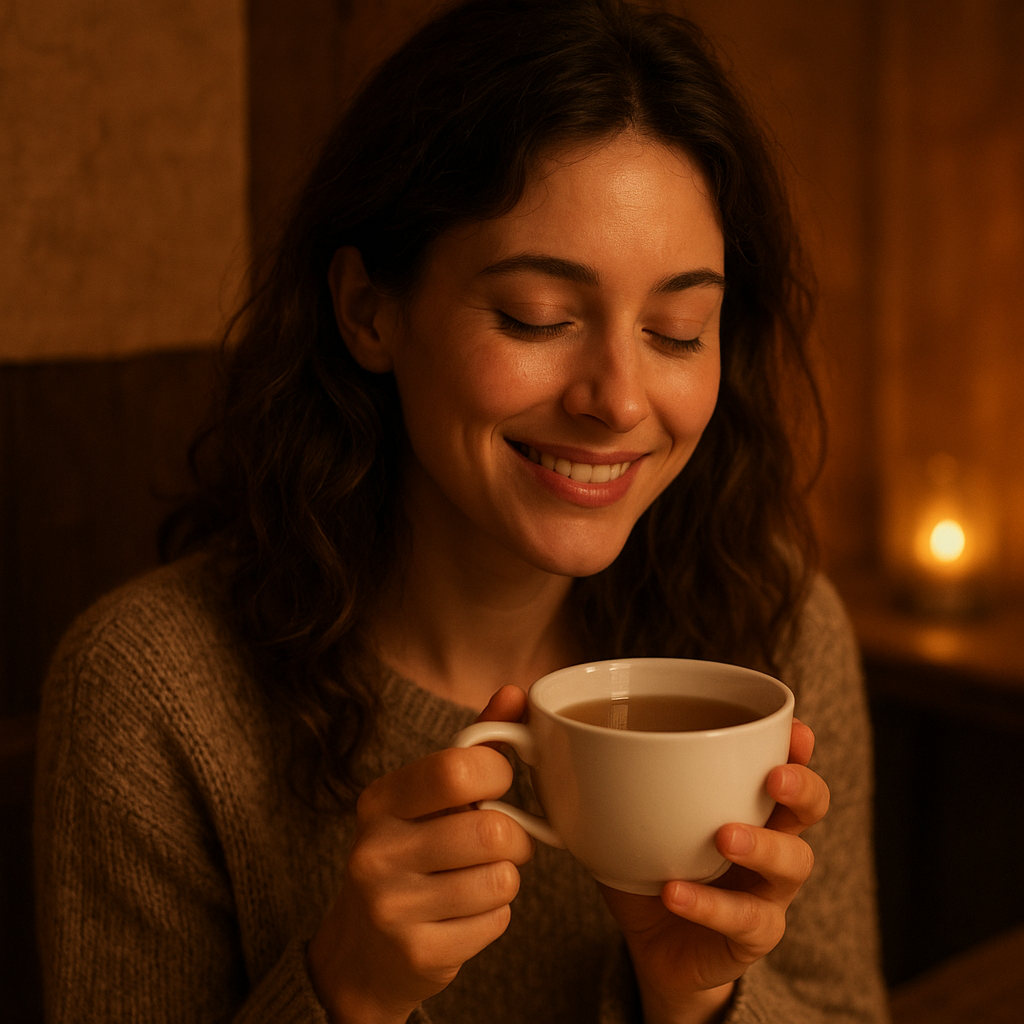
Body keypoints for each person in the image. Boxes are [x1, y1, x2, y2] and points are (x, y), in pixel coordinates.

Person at [33, 1, 890, 1021]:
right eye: (538, 317)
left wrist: (695, 1001)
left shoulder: (773, 632)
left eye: (676, 328)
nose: (617, 400)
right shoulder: (155, 693)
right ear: (368, 310)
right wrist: (342, 988)